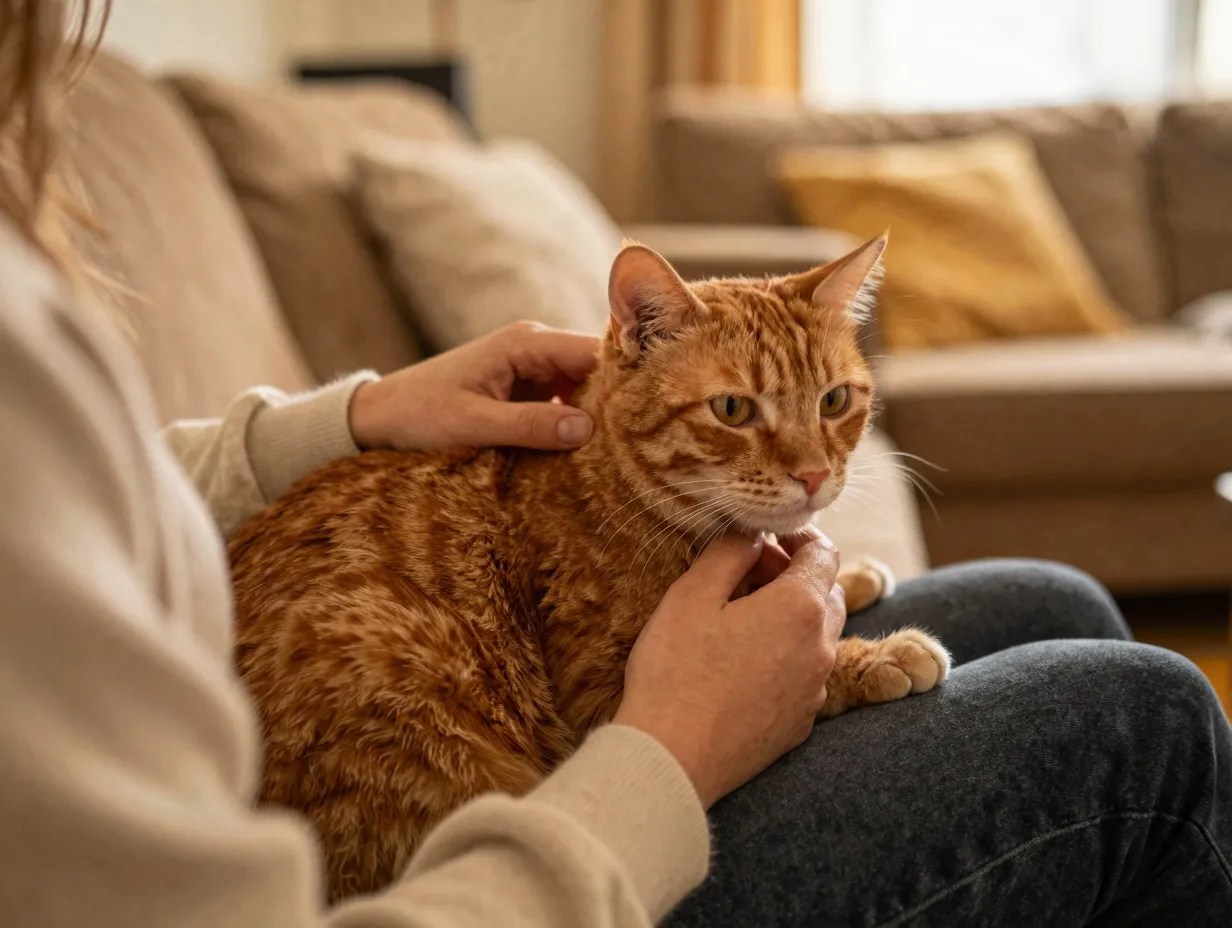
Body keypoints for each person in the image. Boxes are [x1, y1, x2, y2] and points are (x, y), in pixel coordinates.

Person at [0, 4, 1228, 926]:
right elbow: (612, 706)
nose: (806, 465)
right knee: (1151, 711)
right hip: (489, 851)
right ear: (629, 352)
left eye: (837, 412)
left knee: (1049, 599)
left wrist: (357, 413)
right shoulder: (23, 362)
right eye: (747, 419)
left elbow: (118, 490)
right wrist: (804, 681)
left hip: (517, 796)